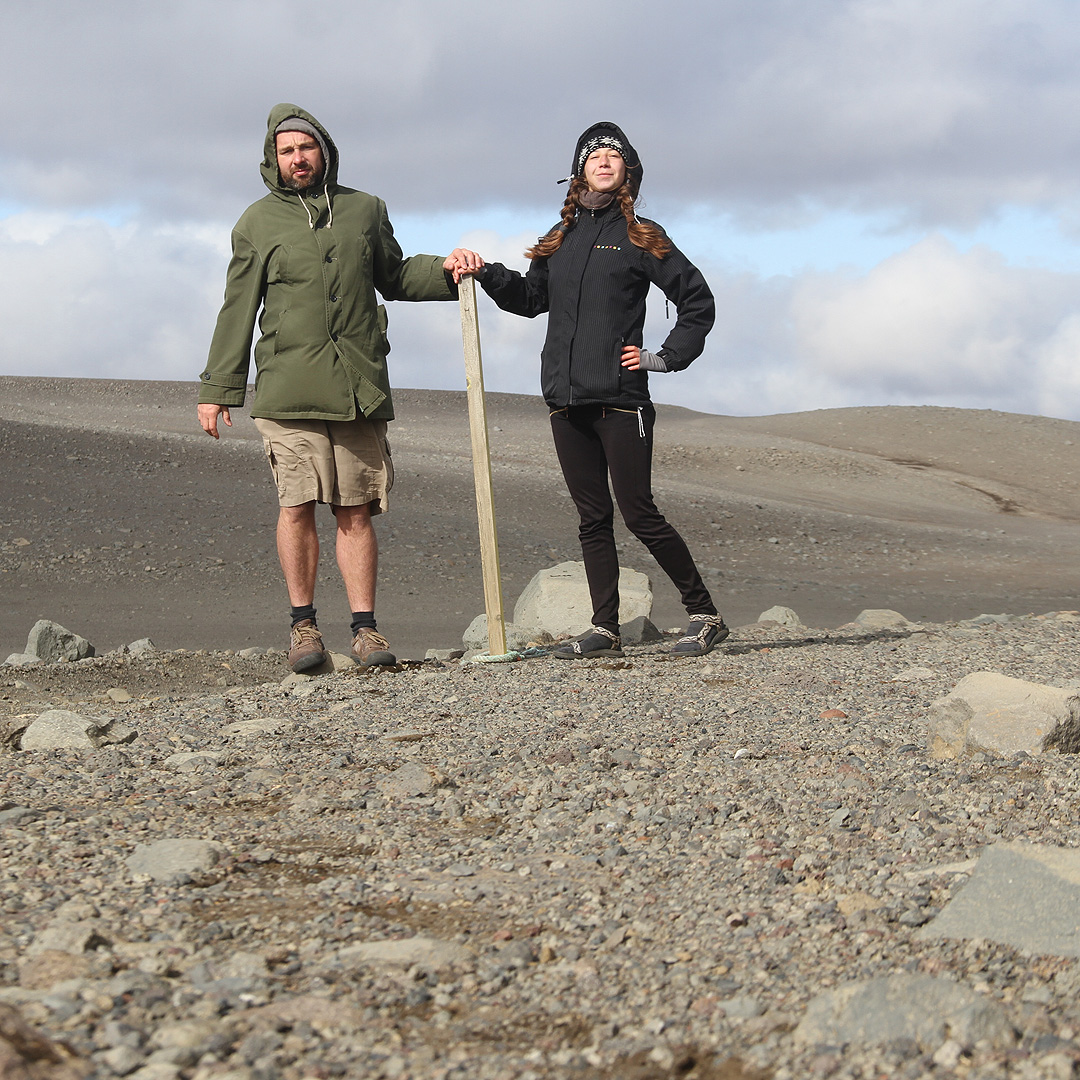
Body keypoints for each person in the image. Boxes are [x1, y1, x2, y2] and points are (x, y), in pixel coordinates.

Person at [198, 103, 480, 673]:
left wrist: (449, 269)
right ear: (272, 161)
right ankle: (303, 627)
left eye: (305, 147)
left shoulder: (364, 210)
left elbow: (396, 276)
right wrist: (218, 388)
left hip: (357, 385)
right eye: (286, 151)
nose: (297, 158)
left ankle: (365, 632)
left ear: (323, 150)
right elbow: (238, 308)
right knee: (296, 504)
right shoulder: (256, 223)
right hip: (287, 388)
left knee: (355, 510)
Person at [444, 121, 727, 659]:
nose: (603, 160)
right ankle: (605, 629)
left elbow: (697, 302)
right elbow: (531, 299)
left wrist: (662, 358)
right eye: (593, 154)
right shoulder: (562, 240)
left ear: (628, 171)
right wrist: (484, 272)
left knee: (639, 511)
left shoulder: (644, 235)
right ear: (578, 170)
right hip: (565, 401)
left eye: (614, 155)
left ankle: (705, 615)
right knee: (591, 518)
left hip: (621, 399)